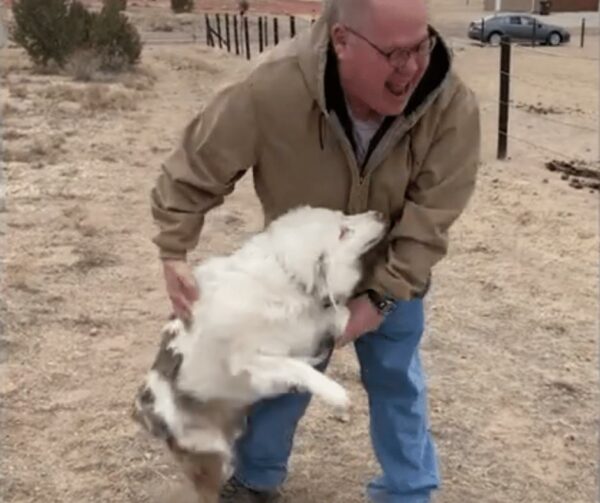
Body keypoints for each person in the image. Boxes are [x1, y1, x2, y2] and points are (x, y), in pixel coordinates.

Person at [149, 0, 481, 501]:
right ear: (342, 41)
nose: (412, 67)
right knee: (283, 386)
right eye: (394, 53)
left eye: (421, 45)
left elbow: (431, 219)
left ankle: (409, 491)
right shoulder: (271, 88)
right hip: (301, 284)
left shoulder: (450, 105)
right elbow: (198, 165)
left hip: (394, 274)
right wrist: (174, 247)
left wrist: (382, 300)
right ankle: (257, 477)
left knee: (397, 383)